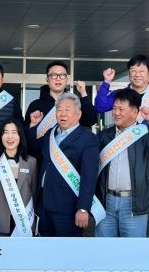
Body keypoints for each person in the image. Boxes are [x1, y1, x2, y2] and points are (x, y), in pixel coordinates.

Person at [94, 88, 149, 238]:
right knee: (103, 248)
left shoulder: (144, 134)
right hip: (106, 201)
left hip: (134, 203)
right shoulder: (104, 135)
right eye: (114, 108)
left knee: (133, 250)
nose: (116, 113)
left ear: (135, 113)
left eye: (121, 109)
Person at [27, 93, 99, 237]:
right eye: (59, 109)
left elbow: (89, 177)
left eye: (67, 109)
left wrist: (83, 208)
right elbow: (33, 148)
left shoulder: (88, 139)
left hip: (68, 208)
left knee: (67, 249)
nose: (63, 114)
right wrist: (33, 125)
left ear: (78, 114)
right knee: (45, 247)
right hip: (44, 204)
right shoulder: (50, 134)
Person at [95, 54, 149, 138]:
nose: (137, 74)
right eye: (133, 71)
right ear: (129, 73)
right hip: (123, 142)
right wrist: (107, 81)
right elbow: (100, 107)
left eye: (142, 71)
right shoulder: (120, 94)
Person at [0, 120, 38, 236]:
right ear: (1, 136)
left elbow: (34, 192)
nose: (10, 136)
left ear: (20, 136)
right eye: (6, 132)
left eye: (14, 132)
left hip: (24, 222)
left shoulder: (31, 162)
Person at [25, 61, 97, 140]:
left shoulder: (74, 103)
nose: (58, 78)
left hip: (70, 146)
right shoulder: (35, 105)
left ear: (66, 80)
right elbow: (26, 133)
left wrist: (83, 93)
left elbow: (90, 120)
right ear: (47, 79)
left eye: (62, 75)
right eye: (54, 75)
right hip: (42, 147)